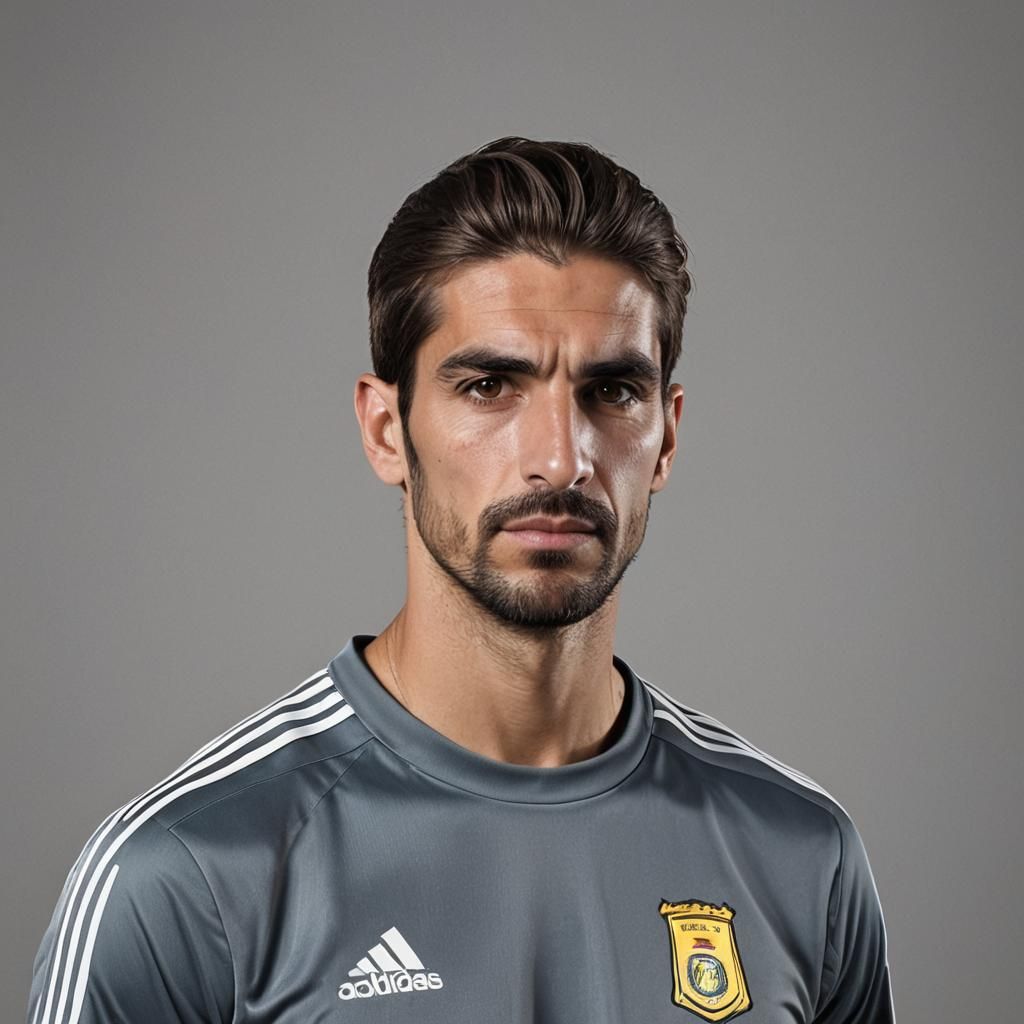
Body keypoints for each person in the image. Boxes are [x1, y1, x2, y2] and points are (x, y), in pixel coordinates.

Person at [28, 137, 893, 1023]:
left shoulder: (801, 855)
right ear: (385, 430)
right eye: (489, 385)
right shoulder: (186, 876)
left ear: (666, 437)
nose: (561, 458)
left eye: (612, 392)